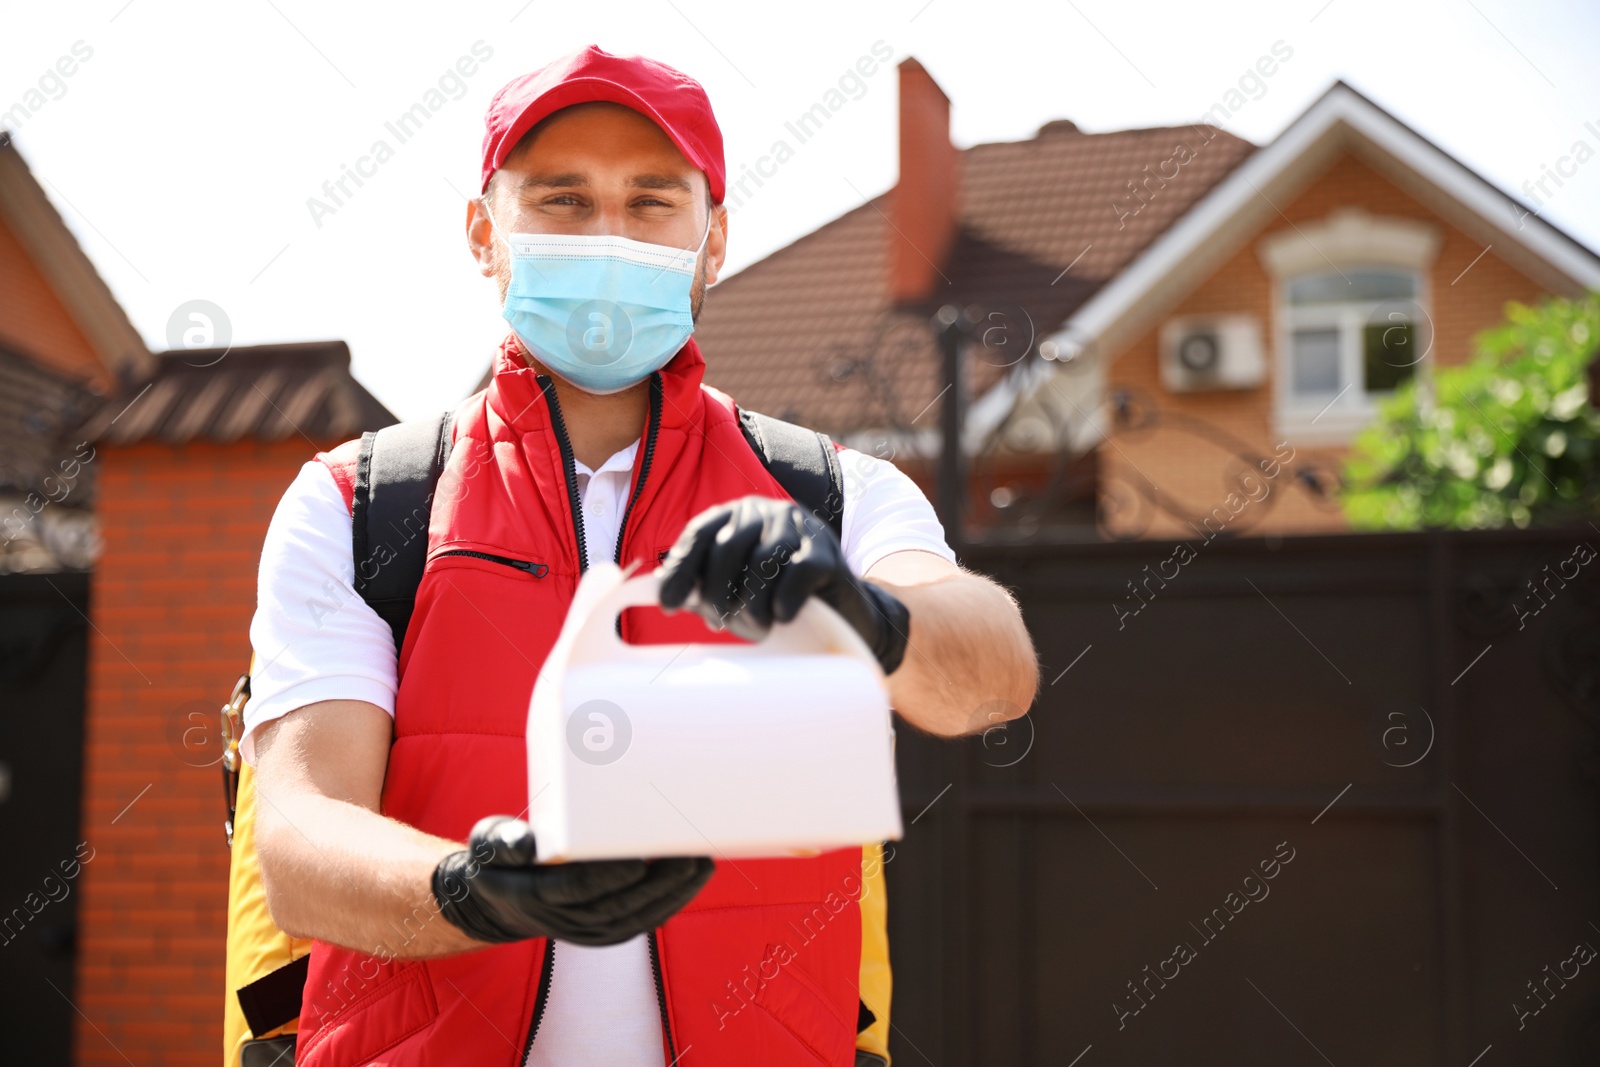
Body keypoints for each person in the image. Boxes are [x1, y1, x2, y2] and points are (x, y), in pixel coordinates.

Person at [245, 44, 1038, 1067]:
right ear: (486, 233)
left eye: (652, 201)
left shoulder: (831, 496)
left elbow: (994, 681)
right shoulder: (359, 503)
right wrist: (468, 888)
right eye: (564, 201)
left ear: (712, 242)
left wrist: (871, 613)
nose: (609, 234)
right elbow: (301, 843)